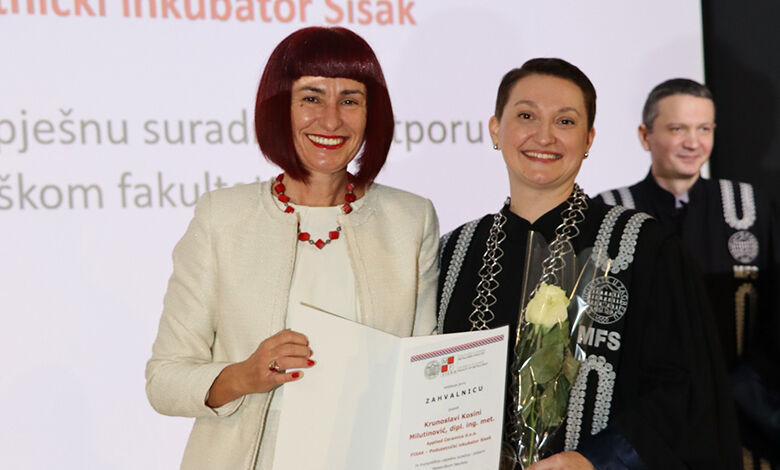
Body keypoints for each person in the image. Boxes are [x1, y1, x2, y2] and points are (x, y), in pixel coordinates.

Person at [145, 27, 439, 470]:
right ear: (280, 107)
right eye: (311, 98)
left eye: (350, 100)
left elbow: (424, 370)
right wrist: (244, 375)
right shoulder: (222, 217)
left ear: (371, 114)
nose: (331, 121)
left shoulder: (410, 219)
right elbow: (164, 380)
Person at [437, 59, 741, 469]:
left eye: (565, 121)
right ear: (495, 129)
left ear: (588, 139)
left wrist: (596, 460)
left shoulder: (644, 247)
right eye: (526, 116)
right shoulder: (455, 252)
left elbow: (687, 389)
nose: (544, 135)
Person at [596, 78, 780, 468]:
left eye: (704, 129)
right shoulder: (611, 213)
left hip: (742, 424)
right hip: (644, 428)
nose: (693, 143)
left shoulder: (749, 206)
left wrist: (746, 391)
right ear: (645, 136)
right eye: (677, 128)